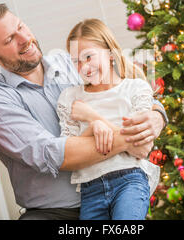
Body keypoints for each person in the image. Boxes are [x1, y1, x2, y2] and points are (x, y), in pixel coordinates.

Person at [0, 4, 168, 220]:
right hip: (56, 213)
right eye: (9, 40)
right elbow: (54, 154)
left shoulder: (67, 63)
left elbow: (128, 92)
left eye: (21, 27)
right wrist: (132, 141)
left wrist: (157, 115)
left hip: (121, 187)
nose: (24, 39)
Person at [57, 19, 160, 220]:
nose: (84, 67)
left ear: (110, 54)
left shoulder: (134, 89)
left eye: (89, 57)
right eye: (76, 61)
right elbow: (67, 153)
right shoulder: (70, 98)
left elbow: (140, 149)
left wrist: (92, 117)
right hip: (90, 190)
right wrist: (93, 127)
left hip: (129, 180)